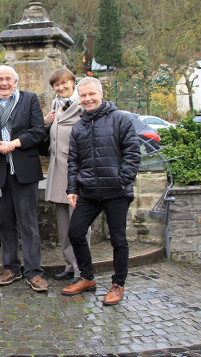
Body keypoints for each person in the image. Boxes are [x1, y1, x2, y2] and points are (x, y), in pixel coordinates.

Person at [62, 76, 141, 305]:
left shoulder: (120, 120)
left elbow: (133, 154)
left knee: (118, 239)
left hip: (116, 191)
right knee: (75, 232)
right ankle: (87, 277)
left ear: (101, 94)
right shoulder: (79, 126)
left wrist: (123, 181)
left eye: (91, 94)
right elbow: (73, 161)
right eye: (83, 95)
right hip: (88, 191)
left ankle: (118, 284)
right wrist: (72, 188)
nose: (87, 99)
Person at [0, 65, 49, 292]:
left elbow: (39, 131)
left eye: (8, 79)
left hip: (24, 171)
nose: (4, 83)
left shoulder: (29, 100)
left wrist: (15, 143)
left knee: (29, 223)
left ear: (15, 82)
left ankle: (34, 272)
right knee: (4, 223)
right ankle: (11, 267)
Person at [43, 67, 85, 284]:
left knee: (78, 225)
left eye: (64, 83)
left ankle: (82, 270)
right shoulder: (55, 106)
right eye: (56, 85)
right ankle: (69, 264)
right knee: (63, 225)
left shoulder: (82, 105)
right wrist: (46, 122)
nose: (61, 87)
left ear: (72, 82)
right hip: (57, 172)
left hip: (76, 175)